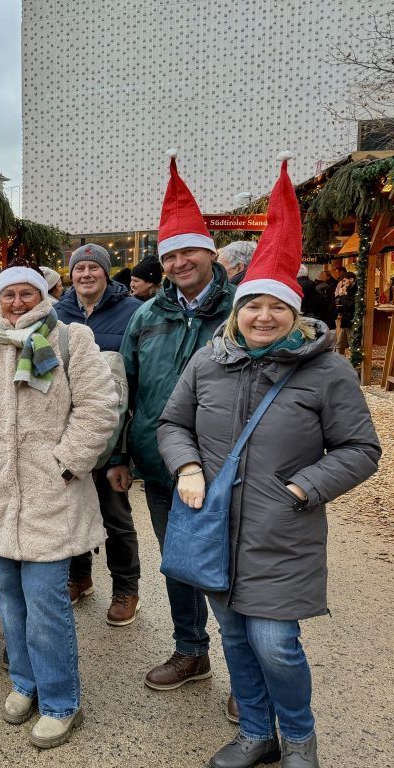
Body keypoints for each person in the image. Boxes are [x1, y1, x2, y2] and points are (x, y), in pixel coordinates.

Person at [158, 156, 381, 768]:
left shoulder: (327, 371)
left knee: (276, 643)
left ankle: (301, 742)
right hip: (213, 528)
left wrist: (303, 489)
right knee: (233, 636)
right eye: (252, 305)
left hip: (280, 531)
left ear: (293, 311)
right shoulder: (209, 362)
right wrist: (186, 467)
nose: (262, 316)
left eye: (275, 307)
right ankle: (258, 734)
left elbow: (363, 451)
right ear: (238, 310)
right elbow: (171, 423)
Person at [0, 263, 118, 749]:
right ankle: (24, 681)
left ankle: (62, 702)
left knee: (46, 603)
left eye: (26, 293)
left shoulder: (71, 339)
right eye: (8, 294)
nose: (17, 302)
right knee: (10, 600)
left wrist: (66, 462)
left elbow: (98, 406)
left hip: (50, 495)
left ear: (42, 294)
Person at [116, 153, 236, 697]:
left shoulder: (242, 311)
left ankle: (250, 678)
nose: (181, 261)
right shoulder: (147, 317)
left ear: (210, 252)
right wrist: (120, 456)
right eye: (171, 254)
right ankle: (191, 651)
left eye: (190, 250)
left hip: (230, 467)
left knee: (237, 572)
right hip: (162, 466)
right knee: (180, 565)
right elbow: (127, 392)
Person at [54, 244, 143, 625]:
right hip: (67, 433)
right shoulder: (57, 312)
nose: (86, 274)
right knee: (70, 511)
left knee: (115, 515)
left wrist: (125, 451)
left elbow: (137, 379)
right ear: (70, 275)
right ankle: (80, 577)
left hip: (112, 434)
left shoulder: (131, 312)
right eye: (80, 268)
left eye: (94, 268)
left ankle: (126, 588)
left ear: (107, 274)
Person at [333, 267, 356, 355]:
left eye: (344, 280)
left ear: (351, 280)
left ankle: (354, 363)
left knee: (351, 343)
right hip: (346, 320)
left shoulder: (355, 291)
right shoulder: (348, 289)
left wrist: (343, 295)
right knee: (340, 344)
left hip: (351, 320)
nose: (343, 283)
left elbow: (349, 305)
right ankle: (339, 362)